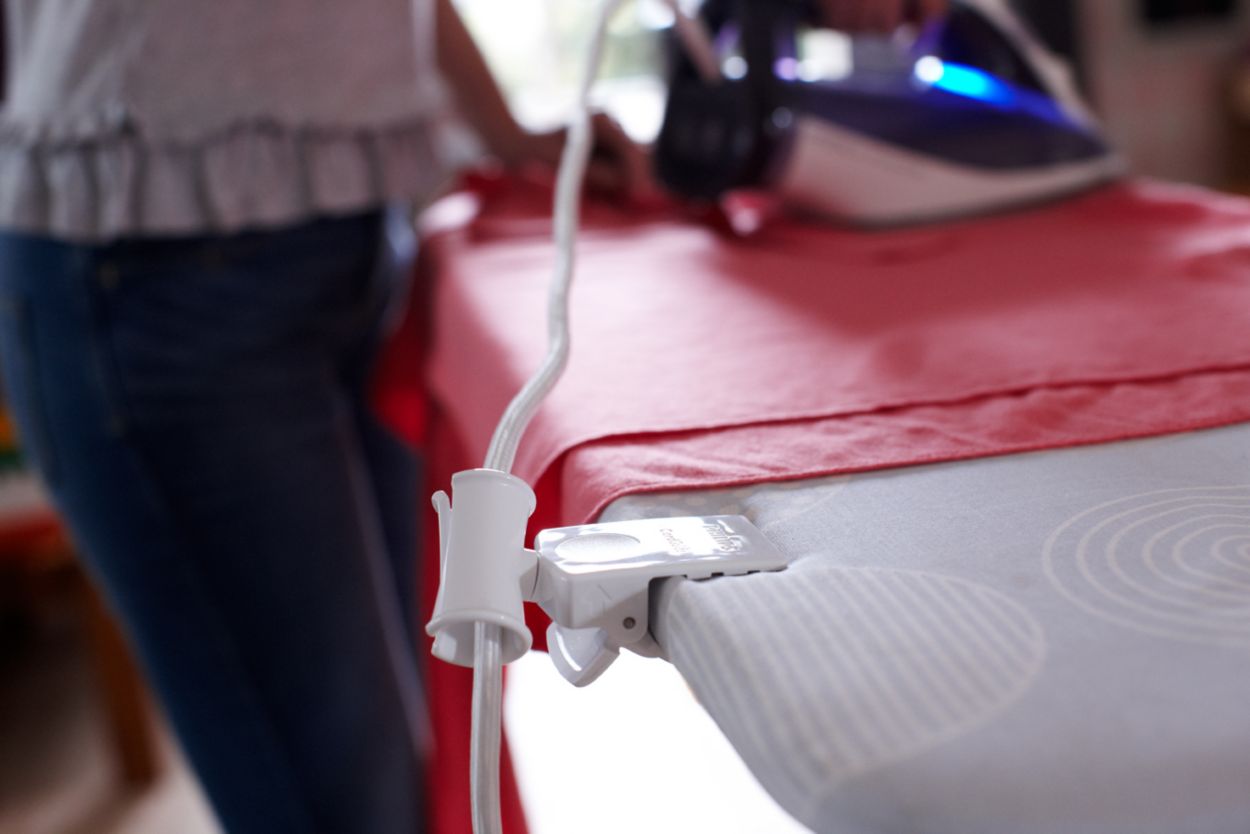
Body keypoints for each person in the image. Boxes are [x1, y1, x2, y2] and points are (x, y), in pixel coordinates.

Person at [0, 1, 944, 832]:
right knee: (349, 800)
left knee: (429, 752)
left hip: (357, 232)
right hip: (144, 253)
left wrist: (501, 126)